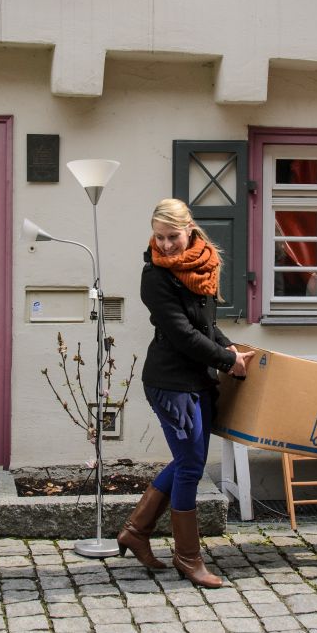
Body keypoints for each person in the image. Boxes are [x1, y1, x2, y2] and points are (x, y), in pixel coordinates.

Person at [116, 198, 255, 588]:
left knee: (187, 461)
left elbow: (205, 325)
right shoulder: (155, 276)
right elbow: (181, 333)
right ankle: (188, 557)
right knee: (191, 466)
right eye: (159, 237)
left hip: (198, 379)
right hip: (170, 383)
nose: (165, 245)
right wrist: (227, 361)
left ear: (189, 229)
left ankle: (136, 531)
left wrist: (229, 348)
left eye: (172, 237)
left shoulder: (204, 265)